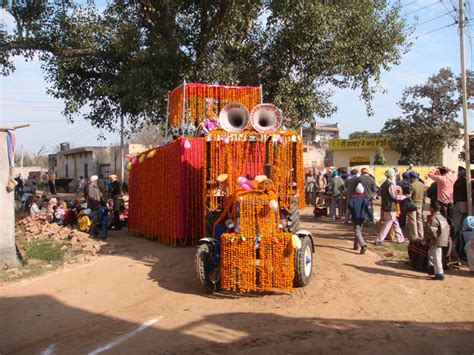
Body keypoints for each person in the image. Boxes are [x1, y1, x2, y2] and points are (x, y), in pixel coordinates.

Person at [375, 168, 408, 245]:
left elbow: (378, 193)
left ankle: (400, 238)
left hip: (386, 206)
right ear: (392, 176)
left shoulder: (384, 184)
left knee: (395, 222)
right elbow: (395, 196)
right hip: (391, 207)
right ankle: (379, 240)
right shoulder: (391, 185)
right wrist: (404, 197)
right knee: (388, 223)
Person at [427, 166, 456, 240]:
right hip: (450, 201)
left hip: (442, 202)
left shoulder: (440, 179)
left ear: (440, 172)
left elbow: (430, 174)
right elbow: (455, 172)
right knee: (451, 219)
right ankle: (452, 236)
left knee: (443, 219)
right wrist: (449, 169)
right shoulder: (452, 178)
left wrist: (436, 168)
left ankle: (444, 235)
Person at [424, 203, 450, 280]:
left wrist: (429, 239)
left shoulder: (434, 218)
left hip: (436, 240)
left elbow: (432, 231)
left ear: (432, 209)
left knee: (436, 257)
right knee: (431, 254)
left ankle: (439, 274)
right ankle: (432, 269)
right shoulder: (443, 218)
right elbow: (448, 229)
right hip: (443, 239)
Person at [348, 183, 372, 254]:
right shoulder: (365, 199)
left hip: (355, 216)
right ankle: (356, 246)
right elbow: (369, 209)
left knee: (357, 231)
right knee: (358, 231)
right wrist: (371, 217)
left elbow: (349, 206)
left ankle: (363, 245)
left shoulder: (353, 198)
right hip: (363, 217)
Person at [406, 171, 425, 241]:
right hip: (420, 204)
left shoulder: (412, 185)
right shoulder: (422, 184)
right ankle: (421, 235)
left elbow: (409, 196)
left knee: (412, 220)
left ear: (411, 178)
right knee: (419, 219)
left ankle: (414, 236)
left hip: (412, 204)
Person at [452, 168, 468, 237]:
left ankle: (457, 235)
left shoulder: (457, 182)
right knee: (464, 221)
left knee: (457, 221)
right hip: (467, 203)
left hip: (459, 203)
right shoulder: (467, 182)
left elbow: (455, 194)